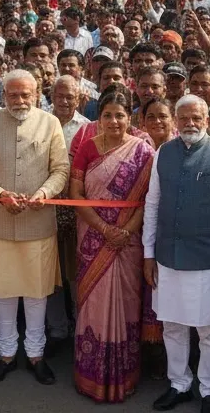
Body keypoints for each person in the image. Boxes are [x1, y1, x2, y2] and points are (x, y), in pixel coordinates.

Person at [141, 92, 210, 413]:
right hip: (167, 257)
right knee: (172, 325)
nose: (190, 123)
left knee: (209, 330)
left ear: (206, 120)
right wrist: (147, 253)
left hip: (208, 260)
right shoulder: (163, 153)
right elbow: (152, 204)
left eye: (196, 117)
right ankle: (179, 384)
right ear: (175, 119)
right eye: (183, 118)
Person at [0, 69, 71, 386]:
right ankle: (7, 354)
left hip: (38, 224)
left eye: (26, 94)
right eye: (13, 94)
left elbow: (61, 169)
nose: (20, 100)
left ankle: (36, 355)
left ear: (37, 93)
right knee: (3, 292)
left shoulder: (50, 123)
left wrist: (44, 193)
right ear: (3, 94)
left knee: (37, 293)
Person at [70, 89, 154, 402]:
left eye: (120, 115)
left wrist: (125, 231)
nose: (114, 121)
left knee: (125, 305)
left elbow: (148, 199)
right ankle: (91, 376)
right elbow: (75, 196)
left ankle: (124, 375)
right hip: (93, 238)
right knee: (93, 303)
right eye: (108, 115)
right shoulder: (87, 148)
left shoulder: (143, 151)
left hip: (127, 242)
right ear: (99, 118)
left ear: (130, 118)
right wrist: (105, 228)